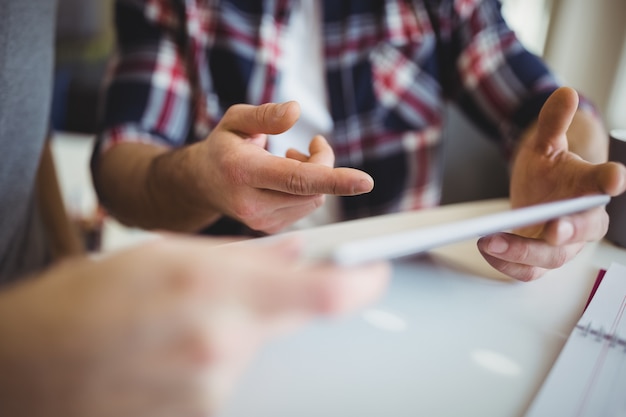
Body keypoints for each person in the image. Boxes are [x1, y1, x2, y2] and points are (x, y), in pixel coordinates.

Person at [0, 0, 390, 415]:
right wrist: (203, 176)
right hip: (210, 353)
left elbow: (20, 126)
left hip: (389, 327)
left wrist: (66, 265)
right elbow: (122, 155)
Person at [92, 0, 626, 282]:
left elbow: (541, 104)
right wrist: (201, 179)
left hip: (402, 293)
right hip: (229, 301)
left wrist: (572, 166)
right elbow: (122, 162)